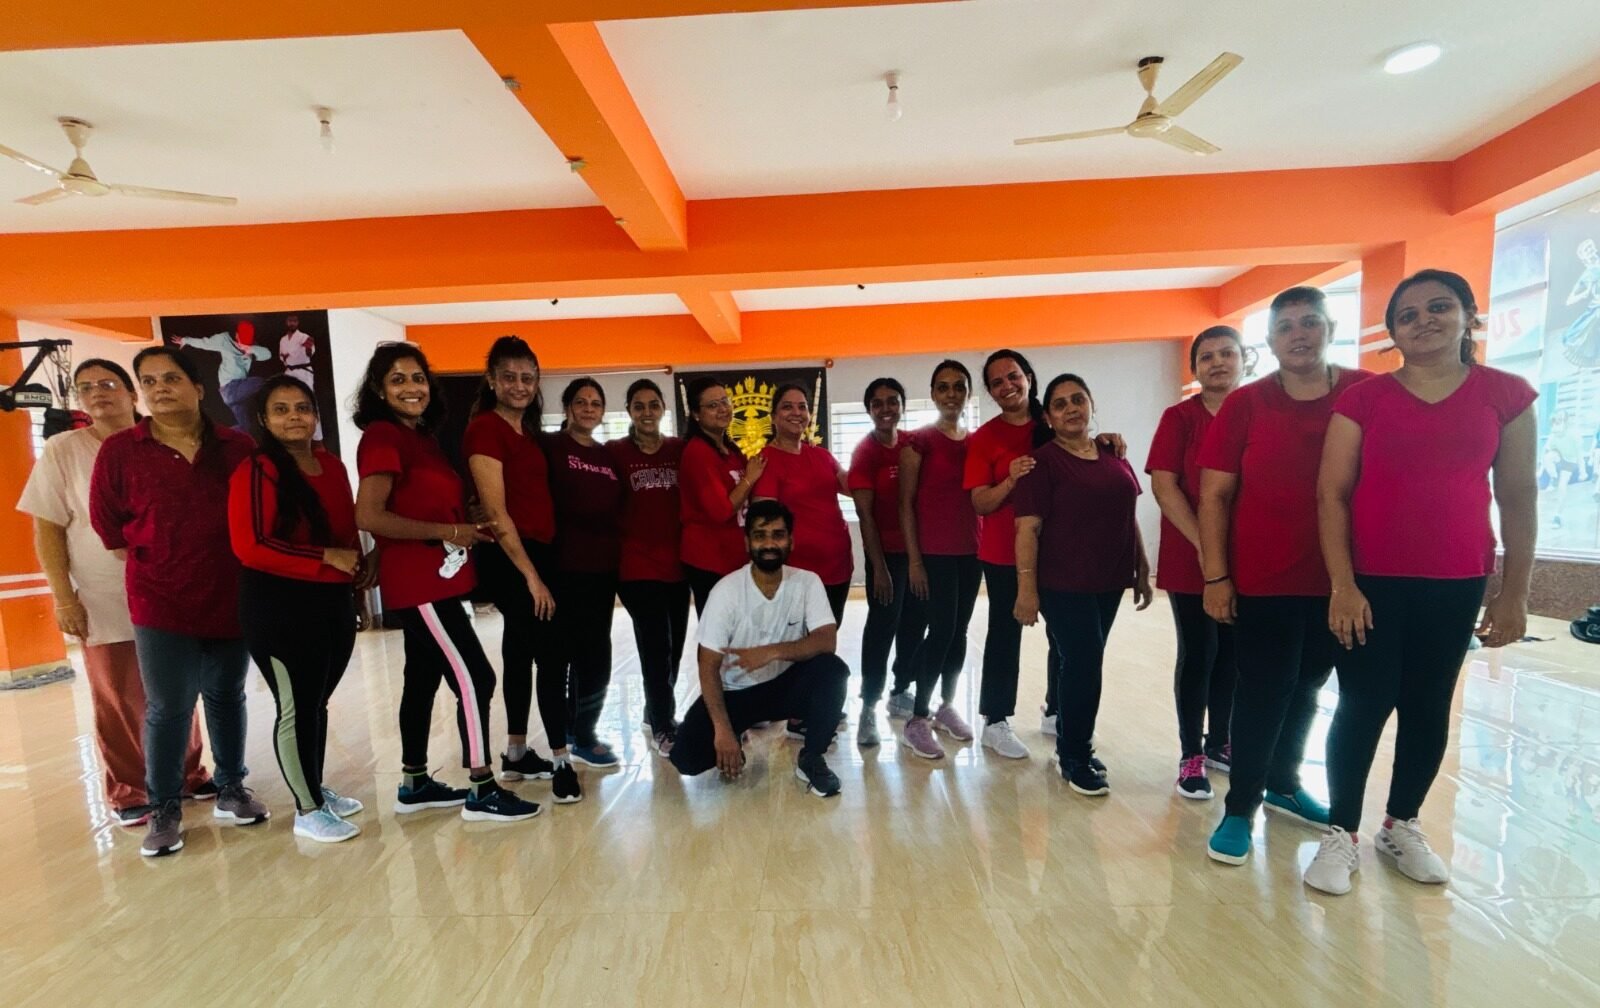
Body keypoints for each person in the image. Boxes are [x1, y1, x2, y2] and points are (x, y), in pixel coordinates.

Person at [1305, 270, 1537, 895]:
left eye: (1439, 307)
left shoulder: (1507, 394)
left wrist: (1514, 592)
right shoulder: (1364, 401)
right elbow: (1331, 494)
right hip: (1372, 581)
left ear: (1468, 316)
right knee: (1363, 702)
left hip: (1457, 580)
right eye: (1407, 315)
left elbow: (1518, 496)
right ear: (1394, 333)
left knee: (1429, 704)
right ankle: (1340, 831)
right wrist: (1342, 585)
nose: (1424, 321)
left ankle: (1400, 823)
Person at [1198, 286, 1372, 866]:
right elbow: (1214, 496)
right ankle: (1240, 807)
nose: (1299, 334)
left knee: (1309, 684)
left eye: (1310, 322)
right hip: (1265, 578)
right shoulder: (1246, 405)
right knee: (1263, 691)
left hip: (1343, 579)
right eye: (1286, 326)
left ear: (1330, 328)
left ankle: (1285, 783)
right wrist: (1216, 577)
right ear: (1269, 342)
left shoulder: (1365, 393)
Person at [88, 346, 267, 857]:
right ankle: (164, 807)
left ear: (198, 388)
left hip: (230, 594)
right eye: (149, 381)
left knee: (227, 694)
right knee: (168, 706)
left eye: (171, 378)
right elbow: (108, 525)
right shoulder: (121, 451)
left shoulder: (237, 446)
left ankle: (231, 788)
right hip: (159, 601)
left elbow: (257, 513)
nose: (160, 388)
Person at [18, 359, 212, 828]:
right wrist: (64, 598)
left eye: (107, 384)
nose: (97, 393)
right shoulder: (64, 449)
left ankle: (187, 773)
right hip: (103, 594)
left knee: (176, 689)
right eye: (85, 388)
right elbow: (47, 529)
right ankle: (131, 790)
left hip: (168, 587)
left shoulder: (158, 441)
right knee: (120, 695)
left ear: (131, 393)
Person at [353, 343, 540, 823]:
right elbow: (369, 514)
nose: (411, 388)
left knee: (421, 678)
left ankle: (414, 782)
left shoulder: (421, 438)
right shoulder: (382, 435)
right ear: (378, 389)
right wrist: (449, 531)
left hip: (439, 578)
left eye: (418, 378)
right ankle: (481, 786)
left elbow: (413, 506)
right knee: (476, 677)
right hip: (421, 585)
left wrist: (463, 516)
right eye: (398, 379)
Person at [228, 376, 372, 843]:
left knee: (316, 701)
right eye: (281, 409)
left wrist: (356, 588)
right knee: (296, 707)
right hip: (278, 605)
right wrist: (326, 557)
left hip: (331, 600)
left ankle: (312, 786)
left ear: (315, 415)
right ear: (264, 419)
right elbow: (251, 545)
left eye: (302, 408)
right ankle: (307, 809)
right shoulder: (258, 469)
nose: (294, 417)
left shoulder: (331, 465)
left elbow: (346, 533)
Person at [1014, 374, 1152, 795]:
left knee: (1080, 660)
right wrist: (1026, 590)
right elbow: (1027, 530)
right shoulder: (1041, 464)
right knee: (1085, 662)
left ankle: (1069, 737)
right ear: (1049, 417)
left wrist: (1142, 567)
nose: (1071, 409)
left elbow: (1127, 516)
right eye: (1060, 404)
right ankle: (1074, 754)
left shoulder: (1113, 454)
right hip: (1063, 583)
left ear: (1091, 404)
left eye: (1078, 400)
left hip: (1109, 580)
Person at [669, 500, 848, 798]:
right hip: (735, 694)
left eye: (778, 535)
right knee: (687, 759)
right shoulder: (726, 591)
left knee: (833, 671)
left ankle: (812, 758)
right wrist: (723, 731)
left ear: (791, 541)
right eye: (760, 535)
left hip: (785, 686)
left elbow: (826, 641)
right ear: (747, 542)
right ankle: (737, 731)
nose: (769, 543)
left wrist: (771, 652)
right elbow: (707, 665)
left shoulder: (807, 582)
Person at [1147, 326, 1246, 799]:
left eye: (1227, 353)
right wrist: (1206, 546)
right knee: (1199, 651)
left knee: (1232, 653)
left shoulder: (1256, 411)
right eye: (1207, 357)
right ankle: (1191, 755)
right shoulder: (1179, 418)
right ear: (1195, 369)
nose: (1218, 362)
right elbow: (1164, 486)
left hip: (1247, 556)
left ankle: (1220, 741)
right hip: (1191, 556)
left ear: (1245, 359)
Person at [460, 336, 561, 789]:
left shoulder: (527, 431)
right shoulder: (485, 428)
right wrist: (531, 576)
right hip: (514, 557)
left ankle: (517, 752)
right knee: (546, 653)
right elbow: (496, 513)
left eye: (527, 378)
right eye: (509, 377)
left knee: (519, 651)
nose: (519, 385)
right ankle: (559, 757)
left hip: (538, 551)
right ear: (491, 380)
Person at [963, 348, 1058, 760]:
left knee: (1064, 633)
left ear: (1029, 378)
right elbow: (980, 502)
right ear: (990, 392)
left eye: (1013, 376)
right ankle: (995, 721)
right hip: (1003, 553)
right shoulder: (985, 438)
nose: (1007, 386)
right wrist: (1010, 479)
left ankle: (1057, 710)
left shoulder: (1052, 422)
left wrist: (1106, 442)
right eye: (997, 382)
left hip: (1058, 549)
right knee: (1005, 635)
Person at [895, 361, 981, 760]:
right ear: (932, 394)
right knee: (942, 630)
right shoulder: (918, 442)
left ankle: (946, 706)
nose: (951, 394)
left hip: (971, 551)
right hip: (934, 553)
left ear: (967, 393)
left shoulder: (976, 442)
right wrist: (915, 561)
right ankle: (917, 718)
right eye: (943, 387)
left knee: (959, 631)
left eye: (958, 386)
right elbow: (905, 504)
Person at [541, 378, 625, 784]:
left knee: (596, 654)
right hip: (561, 569)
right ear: (568, 408)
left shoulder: (607, 456)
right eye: (581, 402)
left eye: (595, 403)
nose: (589, 409)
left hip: (602, 570)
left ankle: (584, 732)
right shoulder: (551, 447)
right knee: (562, 656)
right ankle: (563, 738)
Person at [609, 379, 690, 757]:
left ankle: (653, 709)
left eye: (653, 405)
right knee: (656, 647)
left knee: (675, 648)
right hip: (636, 567)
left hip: (677, 566)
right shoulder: (615, 452)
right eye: (638, 405)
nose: (646, 412)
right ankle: (663, 725)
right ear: (628, 410)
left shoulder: (678, 449)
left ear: (662, 409)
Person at [848, 377, 926, 748]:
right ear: (868, 410)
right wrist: (878, 568)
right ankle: (868, 706)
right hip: (886, 557)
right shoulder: (865, 453)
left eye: (892, 401)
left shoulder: (912, 444)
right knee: (882, 628)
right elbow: (865, 517)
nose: (886, 409)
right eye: (877, 403)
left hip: (917, 555)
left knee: (914, 624)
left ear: (902, 406)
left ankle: (901, 690)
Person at [752, 383, 853, 623]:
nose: (796, 412)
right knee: (799, 640)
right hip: (796, 574)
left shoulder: (822, 455)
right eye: (787, 407)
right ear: (773, 417)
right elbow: (763, 523)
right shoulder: (766, 460)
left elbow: (855, 488)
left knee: (828, 634)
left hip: (838, 565)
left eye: (802, 407)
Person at [678, 377, 765, 615]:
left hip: (734, 559)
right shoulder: (698, 452)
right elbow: (722, 510)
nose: (723, 409)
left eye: (725, 401)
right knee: (718, 630)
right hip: (709, 561)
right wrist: (750, 478)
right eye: (713, 405)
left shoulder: (731, 449)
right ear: (696, 414)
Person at [172, 321, 271, 430]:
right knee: (260, 382)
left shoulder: (251, 347)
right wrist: (185, 340)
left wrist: (251, 349)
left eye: (246, 344)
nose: (242, 346)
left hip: (238, 393)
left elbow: (267, 355)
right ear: (236, 335)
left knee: (247, 428)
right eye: (241, 342)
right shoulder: (224, 340)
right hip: (230, 388)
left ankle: (219, 435)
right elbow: (205, 343)